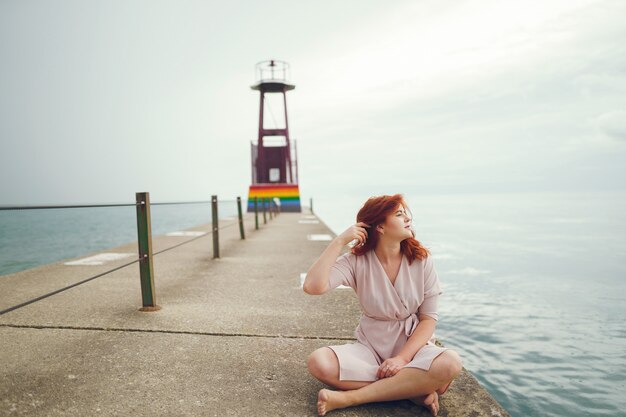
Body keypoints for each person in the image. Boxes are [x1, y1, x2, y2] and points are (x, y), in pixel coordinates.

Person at [303, 194, 463, 416]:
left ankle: (349, 398)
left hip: (413, 348)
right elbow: (313, 286)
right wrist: (339, 241)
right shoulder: (355, 261)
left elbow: (428, 319)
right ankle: (413, 388)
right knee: (319, 362)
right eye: (399, 214)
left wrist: (401, 359)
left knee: (450, 363)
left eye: (406, 213)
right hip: (371, 348)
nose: (407, 218)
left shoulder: (421, 260)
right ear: (379, 226)